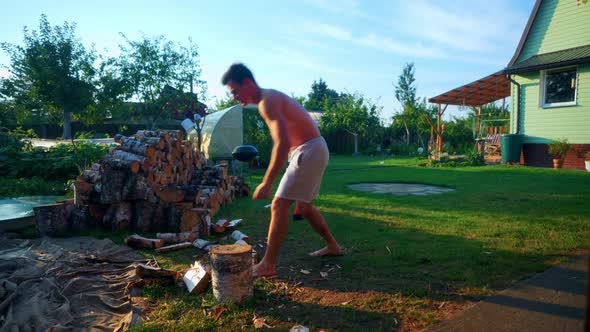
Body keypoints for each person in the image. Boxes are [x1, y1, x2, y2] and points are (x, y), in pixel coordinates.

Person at [221, 63, 342, 277]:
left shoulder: (267, 102)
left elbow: (282, 142)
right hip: (312, 148)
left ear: (247, 83)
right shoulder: (270, 98)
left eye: (235, 92)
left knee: (278, 205)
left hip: (309, 149)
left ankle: (268, 265)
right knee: (304, 208)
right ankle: (333, 246)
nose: (234, 97)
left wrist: (267, 182)